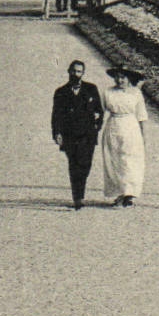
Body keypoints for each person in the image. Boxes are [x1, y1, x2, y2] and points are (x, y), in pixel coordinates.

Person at [51, 60, 103, 210]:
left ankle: (80, 192)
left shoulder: (91, 89)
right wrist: (57, 133)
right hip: (70, 135)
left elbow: (99, 111)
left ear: (83, 73)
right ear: (68, 71)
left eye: (79, 71)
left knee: (85, 165)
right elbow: (56, 115)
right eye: (73, 71)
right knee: (74, 165)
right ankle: (77, 197)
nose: (76, 74)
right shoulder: (61, 91)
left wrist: (96, 127)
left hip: (87, 135)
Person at [100, 67, 148, 207]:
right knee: (114, 160)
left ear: (129, 79)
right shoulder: (108, 92)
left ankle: (129, 193)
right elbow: (100, 111)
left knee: (130, 160)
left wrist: (144, 135)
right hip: (113, 126)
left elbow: (141, 115)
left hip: (131, 127)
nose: (120, 80)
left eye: (123, 77)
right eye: (117, 77)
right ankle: (120, 193)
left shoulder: (136, 93)